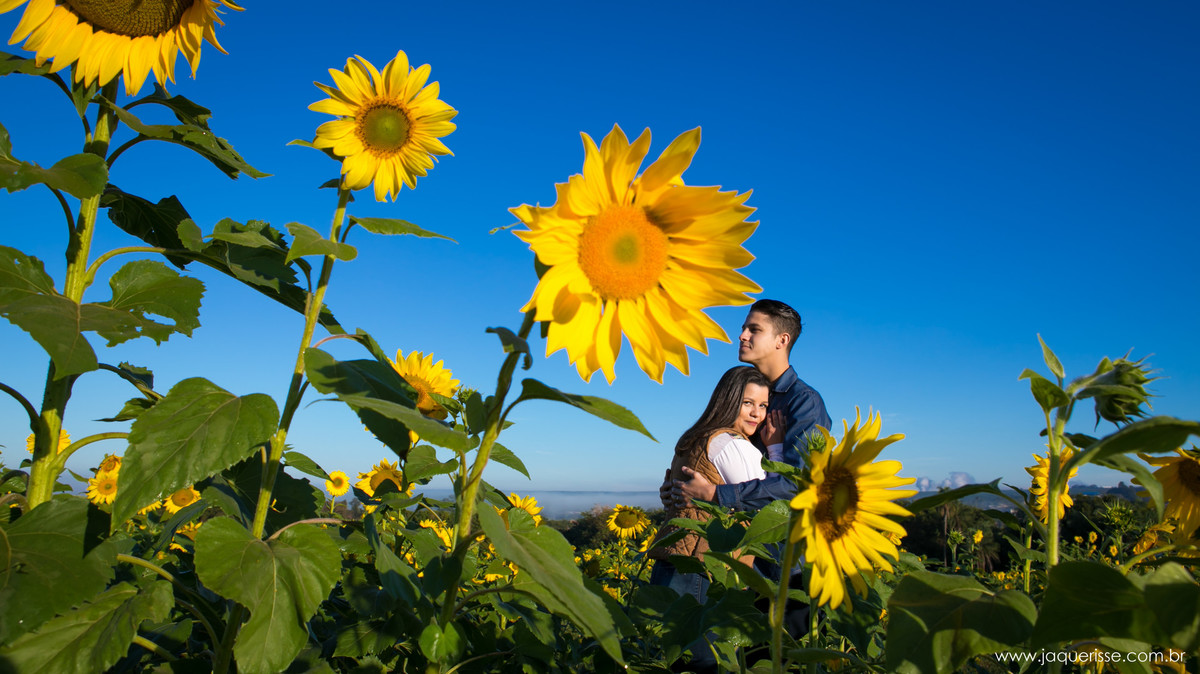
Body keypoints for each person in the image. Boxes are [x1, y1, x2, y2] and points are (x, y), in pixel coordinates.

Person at [662, 299, 831, 649]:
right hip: (744, 561)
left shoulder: (804, 403)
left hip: (787, 564)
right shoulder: (744, 392)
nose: (741, 335)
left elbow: (799, 486)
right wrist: (677, 489)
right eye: (744, 327)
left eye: (754, 329)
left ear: (781, 341)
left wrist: (713, 495)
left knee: (781, 657)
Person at [647, 365, 783, 672]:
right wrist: (775, 447)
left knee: (677, 657)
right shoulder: (730, 443)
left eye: (763, 406)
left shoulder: (695, 438)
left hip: (675, 559)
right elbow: (770, 498)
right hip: (702, 567)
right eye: (748, 403)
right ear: (728, 400)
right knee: (706, 662)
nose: (757, 414)